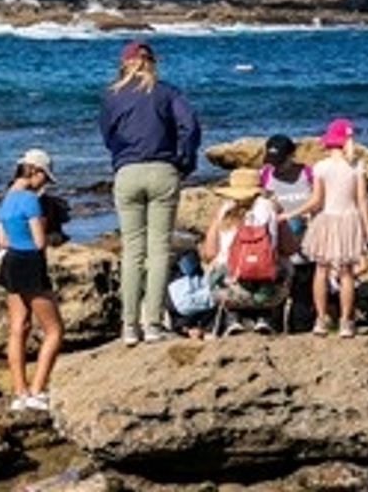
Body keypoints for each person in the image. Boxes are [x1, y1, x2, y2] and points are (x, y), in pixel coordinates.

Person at [99, 40, 201, 346]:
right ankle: (153, 323)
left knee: (132, 250)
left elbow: (107, 134)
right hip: (163, 169)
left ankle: (130, 325)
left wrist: (122, 153)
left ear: (124, 63)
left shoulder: (112, 96)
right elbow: (191, 127)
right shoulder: (167, 92)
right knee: (159, 250)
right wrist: (185, 159)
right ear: (153, 62)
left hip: (127, 172)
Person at [284, 118, 368, 337]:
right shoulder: (357, 165)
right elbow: (362, 199)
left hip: (326, 219)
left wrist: (290, 213)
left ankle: (321, 320)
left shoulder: (321, 167)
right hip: (349, 218)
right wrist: (367, 225)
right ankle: (346, 322)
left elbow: (316, 201)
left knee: (321, 271)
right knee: (347, 273)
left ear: (330, 142)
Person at [0, 148, 64, 412]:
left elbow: (2, 241)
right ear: (34, 172)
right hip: (30, 264)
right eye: (44, 178)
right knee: (54, 330)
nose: (44, 184)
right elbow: (38, 242)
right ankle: (37, 391)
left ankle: (19, 393)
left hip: (10, 263)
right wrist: (50, 235)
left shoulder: (3, 201)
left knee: (18, 328)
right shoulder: (30, 201)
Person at [202, 168, 289, 335]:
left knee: (218, 265)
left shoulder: (224, 210)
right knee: (283, 263)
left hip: (229, 293)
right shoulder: (272, 207)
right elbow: (290, 248)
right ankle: (264, 316)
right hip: (269, 294)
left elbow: (209, 253)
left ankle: (232, 317)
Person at [260, 134, 313, 331]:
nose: (277, 167)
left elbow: (319, 200)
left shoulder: (307, 173)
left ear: (292, 155)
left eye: (280, 162)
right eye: (273, 162)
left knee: (302, 297)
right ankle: (274, 330)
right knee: (275, 297)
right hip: (277, 248)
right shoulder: (266, 175)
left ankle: (300, 333)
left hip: (305, 245)